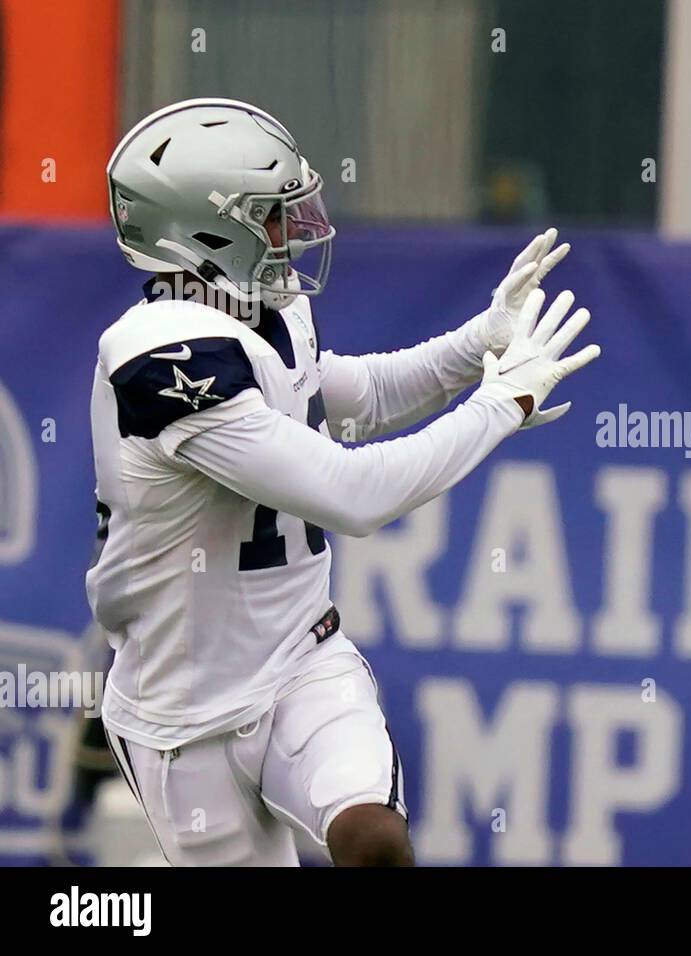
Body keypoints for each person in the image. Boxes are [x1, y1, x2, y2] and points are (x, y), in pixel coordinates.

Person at [87, 98, 598, 866]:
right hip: (179, 714)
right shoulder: (161, 356)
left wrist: (476, 346)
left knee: (373, 838)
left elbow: (353, 397)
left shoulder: (268, 308)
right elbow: (352, 495)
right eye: (270, 215)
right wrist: (501, 405)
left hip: (301, 662)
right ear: (204, 231)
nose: (295, 230)